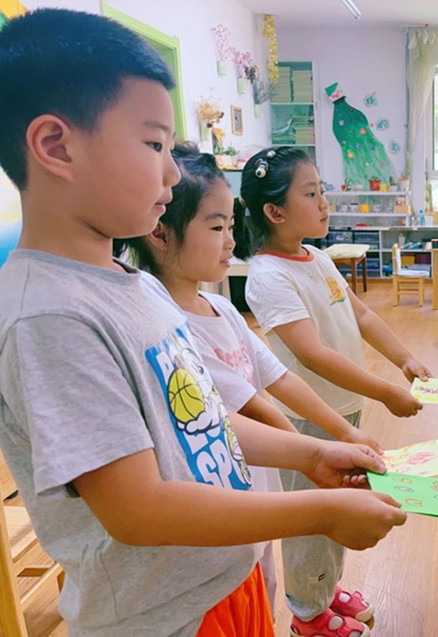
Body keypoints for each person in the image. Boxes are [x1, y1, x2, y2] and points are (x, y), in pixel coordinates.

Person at [0, 10, 405, 636]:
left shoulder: (136, 286)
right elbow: (139, 510)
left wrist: (315, 452)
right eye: (154, 144)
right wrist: (317, 510)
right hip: (160, 616)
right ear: (56, 146)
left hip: (223, 580)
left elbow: (205, 423)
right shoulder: (50, 317)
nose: (170, 172)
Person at [116, 142, 387, 612]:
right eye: (217, 226)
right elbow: (251, 405)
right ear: (160, 233)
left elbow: (278, 376)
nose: (230, 240)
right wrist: (319, 453)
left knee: (264, 583)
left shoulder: (221, 306)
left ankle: (315, 598)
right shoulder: (165, 321)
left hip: (255, 482)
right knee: (256, 582)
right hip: (220, 507)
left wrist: (336, 440)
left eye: (230, 224)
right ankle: (312, 610)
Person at [235, 146, 430, 637]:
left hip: (343, 410)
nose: (325, 202)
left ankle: (325, 587)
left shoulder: (316, 257)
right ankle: (308, 612)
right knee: (313, 518)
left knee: (341, 505)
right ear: (274, 212)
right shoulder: (269, 275)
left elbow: (360, 315)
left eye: (322, 190)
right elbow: (314, 354)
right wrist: (386, 391)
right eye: (311, 193)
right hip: (304, 421)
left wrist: (403, 358)